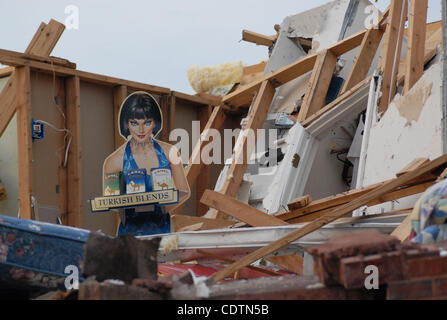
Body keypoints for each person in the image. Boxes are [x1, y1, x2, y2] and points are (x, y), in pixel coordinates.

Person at [103, 91, 190, 236]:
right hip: (129, 236)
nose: (141, 130)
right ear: (126, 124)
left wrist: (160, 208)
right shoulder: (114, 161)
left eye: (147, 122)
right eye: (134, 123)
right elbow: (110, 201)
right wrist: (134, 207)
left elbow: (183, 192)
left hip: (162, 232)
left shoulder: (170, 153)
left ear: (155, 123)